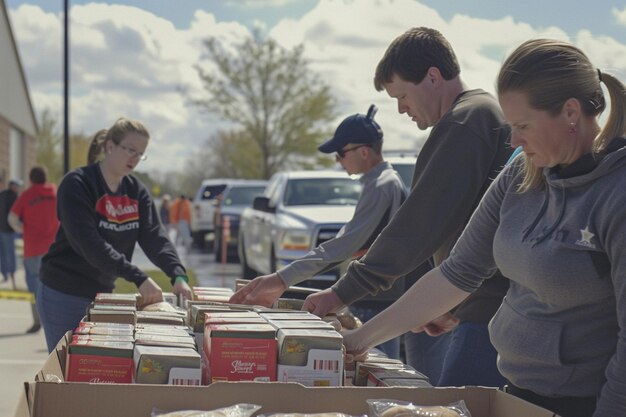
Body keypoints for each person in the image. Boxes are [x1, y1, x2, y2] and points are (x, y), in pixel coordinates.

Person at [340, 38, 626, 417]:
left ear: (571, 112)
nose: (513, 140)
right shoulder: (519, 173)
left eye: (523, 125)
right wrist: (357, 342)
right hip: (515, 392)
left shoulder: (616, 194)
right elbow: (457, 272)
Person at [303, 26, 512, 387]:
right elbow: (450, 228)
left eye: (401, 95)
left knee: (457, 408)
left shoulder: (466, 120)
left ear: (433, 77)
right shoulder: (472, 116)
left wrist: (342, 292)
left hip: (488, 313)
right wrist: (442, 305)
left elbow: (416, 227)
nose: (401, 110)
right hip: (473, 306)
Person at [229, 104, 408, 358]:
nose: (337, 159)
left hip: (374, 301)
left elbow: (343, 246)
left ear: (364, 152)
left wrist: (281, 278)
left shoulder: (381, 185)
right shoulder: (383, 182)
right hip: (376, 297)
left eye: (341, 153)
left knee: (372, 373)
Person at [37, 117, 193, 353]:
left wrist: (177, 274)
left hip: (102, 294)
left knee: (95, 368)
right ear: (110, 146)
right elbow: (89, 243)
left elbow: (154, 235)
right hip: (63, 292)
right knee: (67, 369)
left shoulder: (135, 190)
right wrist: (138, 277)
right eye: (130, 150)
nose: (135, 158)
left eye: (141, 154)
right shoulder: (78, 184)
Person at [8, 167, 59, 333]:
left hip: (33, 248)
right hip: (53, 248)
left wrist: (23, 230)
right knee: (55, 285)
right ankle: (54, 319)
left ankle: (38, 320)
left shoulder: (27, 195)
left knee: (34, 286)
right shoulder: (55, 192)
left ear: (30, 179)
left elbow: (12, 218)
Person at [0, 178, 22, 286]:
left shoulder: (2, 194)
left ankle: (4, 274)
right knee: (10, 254)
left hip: (1, 229)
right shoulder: (14, 197)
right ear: (13, 186)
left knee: (2, 254)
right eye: (17, 186)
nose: (18, 188)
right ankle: (12, 276)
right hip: (8, 230)